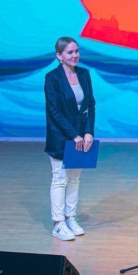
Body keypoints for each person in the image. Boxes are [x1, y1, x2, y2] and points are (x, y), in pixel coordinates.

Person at [44, 37, 96, 241]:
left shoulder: (84, 74)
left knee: (74, 179)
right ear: (59, 56)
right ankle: (58, 223)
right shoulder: (52, 78)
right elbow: (54, 111)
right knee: (60, 179)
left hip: (82, 138)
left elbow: (90, 105)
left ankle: (70, 217)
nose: (75, 55)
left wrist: (88, 131)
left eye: (76, 51)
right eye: (69, 52)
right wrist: (73, 135)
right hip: (61, 137)